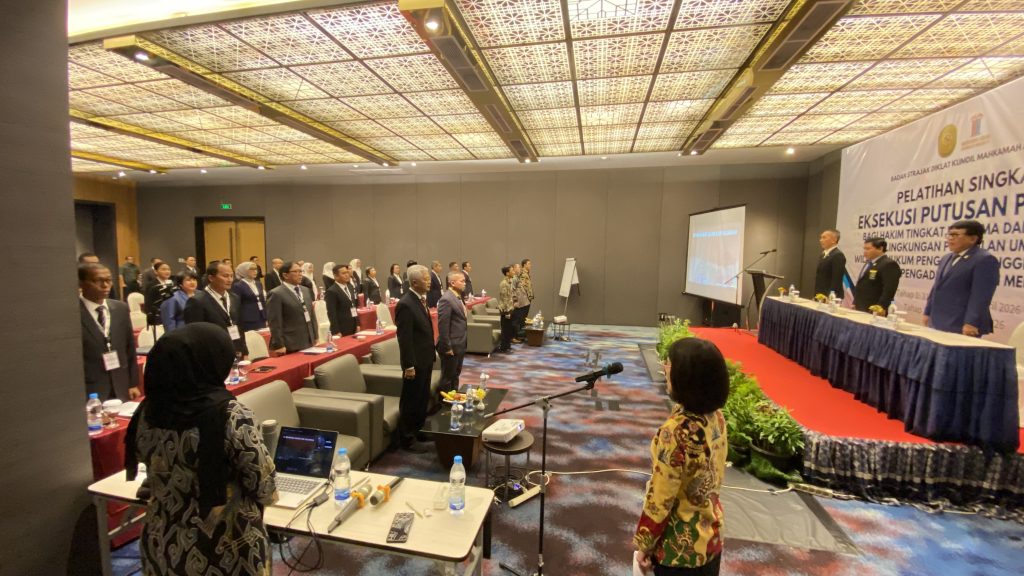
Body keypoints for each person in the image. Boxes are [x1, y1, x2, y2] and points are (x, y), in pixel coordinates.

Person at [124, 323, 277, 576]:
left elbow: (146, 463)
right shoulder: (230, 415)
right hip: (223, 547)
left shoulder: (146, 412)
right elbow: (264, 487)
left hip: (162, 541)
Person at [633, 337, 729, 576]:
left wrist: (644, 544)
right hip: (710, 539)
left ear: (687, 378)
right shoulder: (716, 417)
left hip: (677, 550)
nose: (665, 370)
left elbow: (660, 498)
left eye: (669, 365)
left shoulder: (675, 433)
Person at [924, 219, 1000, 337]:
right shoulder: (946, 258)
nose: (950, 238)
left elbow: (981, 296)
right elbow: (936, 288)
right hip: (937, 321)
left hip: (961, 324)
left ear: (973, 239)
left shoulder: (984, 259)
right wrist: (927, 312)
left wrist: (971, 322)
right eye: (949, 235)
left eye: (955, 235)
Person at [79, 263, 140, 401]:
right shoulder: (74, 313)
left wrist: (132, 383)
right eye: (98, 281)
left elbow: (129, 347)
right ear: (81, 283)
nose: (105, 285)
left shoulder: (120, 308)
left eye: (109, 280)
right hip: (91, 388)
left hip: (120, 384)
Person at [395, 264, 435, 453]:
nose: (429, 282)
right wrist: (408, 365)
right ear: (414, 282)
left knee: (422, 398)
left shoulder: (420, 300)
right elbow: (405, 339)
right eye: (425, 279)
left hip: (425, 358)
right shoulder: (405, 304)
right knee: (411, 400)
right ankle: (407, 439)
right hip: (415, 363)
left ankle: (418, 430)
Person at [184, 261, 248, 359]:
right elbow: (195, 336)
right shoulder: (197, 301)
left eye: (232, 276)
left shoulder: (234, 298)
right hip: (212, 355)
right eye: (225, 276)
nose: (230, 279)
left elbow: (240, 326)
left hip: (235, 350)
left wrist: (244, 351)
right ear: (211, 278)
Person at [266, 260, 319, 354]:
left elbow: (312, 315)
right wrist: (279, 344)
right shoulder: (276, 294)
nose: (300, 274)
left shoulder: (306, 290)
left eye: (301, 271)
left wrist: (315, 336)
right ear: (285, 275)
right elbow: (274, 322)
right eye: (296, 271)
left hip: (308, 340)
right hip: (290, 343)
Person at [437, 271, 468, 395]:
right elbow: (443, 326)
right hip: (451, 346)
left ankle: (454, 398)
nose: (464, 283)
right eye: (462, 281)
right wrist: (447, 347)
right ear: (452, 283)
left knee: (456, 374)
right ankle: (443, 402)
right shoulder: (446, 299)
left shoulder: (458, 297)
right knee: (447, 377)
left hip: (460, 343)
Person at [852, 237, 902, 313]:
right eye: (864, 249)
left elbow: (889, 290)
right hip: (861, 306)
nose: (865, 251)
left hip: (875, 309)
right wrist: (855, 302)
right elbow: (862, 284)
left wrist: (880, 307)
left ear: (880, 248)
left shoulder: (889, 264)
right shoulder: (869, 263)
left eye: (868, 249)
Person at [232, 261, 268, 332]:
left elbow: (262, 300)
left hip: (261, 316)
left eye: (256, 269)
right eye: (252, 269)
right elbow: (236, 304)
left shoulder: (258, 283)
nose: (255, 271)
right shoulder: (238, 285)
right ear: (244, 271)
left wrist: (266, 316)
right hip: (248, 319)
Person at [325, 263, 358, 337]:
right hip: (342, 328)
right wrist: (336, 331)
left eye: (347, 272)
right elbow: (331, 313)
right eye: (343, 273)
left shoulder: (350, 287)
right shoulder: (332, 291)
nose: (347, 275)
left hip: (353, 325)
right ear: (336, 276)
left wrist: (357, 324)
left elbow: (354, 306)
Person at [814, 229, 847, 298]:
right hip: (820, 294)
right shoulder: (823, 254)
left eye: (824, 237)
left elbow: (837, 279)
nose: (820, 240)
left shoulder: (838, 255)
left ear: (834, 240)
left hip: (830, 296)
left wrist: (830, 297)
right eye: (821, 237)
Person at [144, 261, 176, 329]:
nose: (167, 271)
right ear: (156, 271)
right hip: (158, 319)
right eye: (163, 269)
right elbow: (148, 304)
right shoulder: (152, 285)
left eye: (168, 269)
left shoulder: (172, 284)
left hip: (172, 315)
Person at [513, 258, 534, 338]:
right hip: (523, 299)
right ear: (524, 265)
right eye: (529, 264)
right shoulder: (522, 274)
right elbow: (519, 288)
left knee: (524, 317)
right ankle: (519, 334)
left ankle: (522, 333)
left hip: (527, 298)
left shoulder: (526, 273)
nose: (530, 265)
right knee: (521, 317)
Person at [497, 265, 516, 353]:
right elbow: (504, 298)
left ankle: (507, 345)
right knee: (505, 329)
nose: (514, 272)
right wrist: (507, 312)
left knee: (509, 329)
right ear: (507, 273)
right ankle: (503, 347)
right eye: (512, 270)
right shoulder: (504, 283)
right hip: (505, 310)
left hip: (510, 308)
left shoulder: (510, 281)